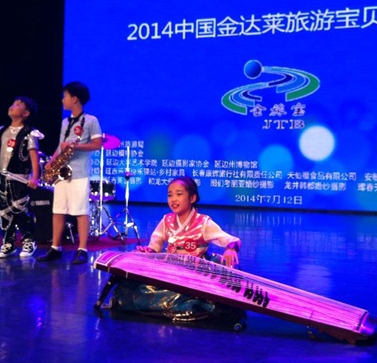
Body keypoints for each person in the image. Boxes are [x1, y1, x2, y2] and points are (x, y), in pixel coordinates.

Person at [110, 176, 243, 321]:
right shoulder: (167, 220)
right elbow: (155, 245)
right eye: (170, 195)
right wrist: (148, 251)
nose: (173, 199)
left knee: (188, 294)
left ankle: (196, 304)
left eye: (179, 194)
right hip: (170, 270)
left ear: (192, 198)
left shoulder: (203, 223)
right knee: (138, 287)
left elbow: (232, 240)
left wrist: (231, 249)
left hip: (194, 274)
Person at [37, 81, 102, 265]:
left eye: (65, 96)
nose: (62, 100)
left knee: (80, 211)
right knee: (58, 210)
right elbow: (60, 145)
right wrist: (51, 162)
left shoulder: (91, 120)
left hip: (79, 172)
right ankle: (55, 248)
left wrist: (75, 146)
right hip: (62, 173)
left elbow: (97, 144)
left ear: (74, 98)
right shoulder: (65, 122)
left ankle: (82, 250)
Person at [0, 96, 43, 258]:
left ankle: (28, 240)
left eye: (18, 105)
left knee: (21, 210)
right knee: (4, 211)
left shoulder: (29, 133)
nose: (13, 106)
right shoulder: (2, 131)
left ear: (26, 113)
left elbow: (34, 156)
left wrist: (35, 177)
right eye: (13, 103)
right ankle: (8, 243)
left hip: (19, 178)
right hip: (2, 178)